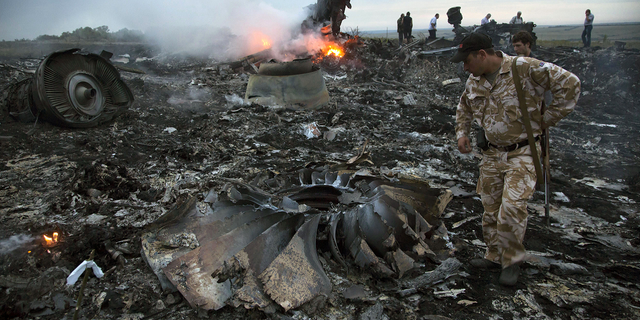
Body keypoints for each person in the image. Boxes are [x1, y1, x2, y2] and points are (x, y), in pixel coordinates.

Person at [451, 33, 580, 286]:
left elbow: (571, 83)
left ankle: (511, 261)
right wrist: (462, 134)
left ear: (482, 55)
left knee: (511, 209)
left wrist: (547, 119)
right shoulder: (474, 80)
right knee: (490, 207)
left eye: (467, 61)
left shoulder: (524, 68)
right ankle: (493, 255)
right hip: (491, 154)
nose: (464, 67)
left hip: (522, 152)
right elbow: (464, 107)